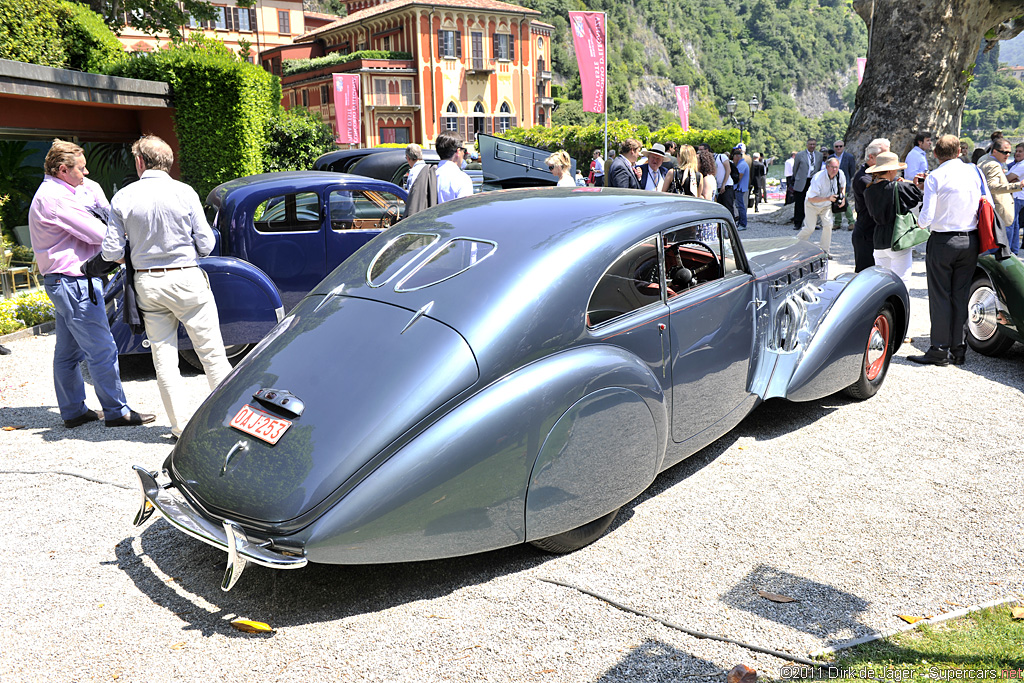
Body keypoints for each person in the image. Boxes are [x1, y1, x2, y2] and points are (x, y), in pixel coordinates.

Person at [102, 135, 230, 438]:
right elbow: (208, 244)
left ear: (140, 161)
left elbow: (110, 252)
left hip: (148, 282)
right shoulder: (184, 192)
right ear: (167, 162)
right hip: (186, 277)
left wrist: (132, 254)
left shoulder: (123, 197)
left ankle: (180, 427)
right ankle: (227, 422)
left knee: (164, 359)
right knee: (212, 354)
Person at [27, 139, 154, 429]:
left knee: (68, 353)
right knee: (102, 348)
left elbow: (103, 214)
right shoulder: (56, 199)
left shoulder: (63, 190)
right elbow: (99, 233)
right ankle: (116, 411)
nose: (86, 175)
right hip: (74, 282)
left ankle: (73, 411)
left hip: (66, 282)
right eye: (81, 170)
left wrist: (91, 191)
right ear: (62, 169)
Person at [911, 134, 987, 366]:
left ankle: (939, 349)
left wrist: (919, 209)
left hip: (944, 240)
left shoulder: (935, 176)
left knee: (940, 295)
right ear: (960, 151)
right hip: (970, 238)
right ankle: (958, 348)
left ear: (935, 154)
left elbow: (926, 218)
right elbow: (987, 202)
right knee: (960, 294)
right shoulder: (975, 171)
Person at [863, 151, 924, 293]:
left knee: (881, 284)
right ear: (891, 170)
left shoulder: (868, 190)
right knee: (902, 280)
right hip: (897, 237)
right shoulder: (899, 187)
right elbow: (918, 196)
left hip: (878, 240)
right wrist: (911, 183)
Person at [976, 136, 1023, 252]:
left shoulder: (984, 160)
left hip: (990, 210)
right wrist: (1018, 186)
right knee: (1000, 250)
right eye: (1004, 152)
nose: (1007, 155)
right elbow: (993, 187)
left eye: (1009, 152)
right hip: (999, 212)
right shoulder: (994, 165)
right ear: (995, 151)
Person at [852, 138, 890, 272]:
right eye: (884, 155)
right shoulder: (864, 178)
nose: (888, 158)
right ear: (871, 157)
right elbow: (884, 195)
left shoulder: (878, 174)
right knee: (865, 278)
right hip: (866, 235)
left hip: (877, 234)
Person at [796, 156, 846, 258]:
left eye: (836, 167)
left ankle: (825, 251)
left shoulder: (840, 174)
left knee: (828, 225)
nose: (834, 170)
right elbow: (811, 198)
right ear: (827, 167)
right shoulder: (818, 177)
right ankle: (794, 246)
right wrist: (828, 198)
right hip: (812, 205)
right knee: (810, 228)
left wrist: (843, 197)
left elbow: (842, 186)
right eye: (832, 167)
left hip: (826, 205)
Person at [435, 132, 474, 203]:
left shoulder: (430, 176)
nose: (464, 154)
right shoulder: (462, 179)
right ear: (458, 151)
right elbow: (465, 211)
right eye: (464, 151)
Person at [791, 139, 821, 229]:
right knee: (799, 203)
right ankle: (798, 223)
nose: (812, 146)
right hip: (802, 181)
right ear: (807, 145)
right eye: (810, 144)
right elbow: (795, 169)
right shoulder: (800, 155)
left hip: (813, 181)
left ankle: (812, 223)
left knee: (813, 204)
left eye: (814, 144)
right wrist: (797, 178)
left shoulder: (819, 155)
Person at [832, 140, 857, 229]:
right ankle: (837, 222)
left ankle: (851, 221)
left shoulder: (849, 157)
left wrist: (847, 180)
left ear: (844, 147)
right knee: (836, 201)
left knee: (844, 201)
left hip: (845, 183)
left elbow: (852, 171)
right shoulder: (831, 158)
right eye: (837, 146)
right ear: (834, 147)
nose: (839, 148)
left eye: (840, 146)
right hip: (833, 184)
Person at [1006, 142, 1024, 255]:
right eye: (1016, 151)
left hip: (1016, 196)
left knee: (1009, 223)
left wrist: (1008, 178)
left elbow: (1007, 178)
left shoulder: (1022, 165)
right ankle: (1013, 250)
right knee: (1015, 224)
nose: (1017, 153)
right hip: (1016, 195)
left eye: (1020, 151)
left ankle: (1007, 249)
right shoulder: (1018, 164)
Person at [732, 147, 750, 229]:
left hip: (740, 188)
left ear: (737, 156)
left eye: (734, 157)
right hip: (740, 187)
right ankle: (741, 222)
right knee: (740, 205)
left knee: (740, 206)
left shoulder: (742, 165)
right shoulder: (742, 164)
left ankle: (743, 223)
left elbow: (739, 176)